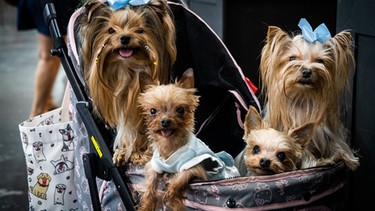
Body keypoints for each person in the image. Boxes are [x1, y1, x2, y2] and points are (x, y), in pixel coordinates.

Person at [17, 0, 80, 118]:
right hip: (50, 3)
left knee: (51, 52)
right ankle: (37, 112)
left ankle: (47, 101)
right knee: (48, 56)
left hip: (47, 3)